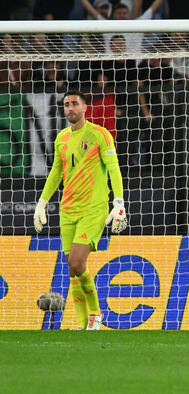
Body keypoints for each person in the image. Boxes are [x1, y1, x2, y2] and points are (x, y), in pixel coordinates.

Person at [32, 90, 127, 330]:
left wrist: (119, 202)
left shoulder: (99, 135)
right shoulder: (62, 138)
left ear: (85, 108)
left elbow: (113, 168)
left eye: (75, 104)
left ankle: (95, 313)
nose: (70, 108)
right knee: (74, 268)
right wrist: (42, 202)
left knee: (76, 263)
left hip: (93, 209)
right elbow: (56, 172)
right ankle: (85, 326)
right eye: (66, 105)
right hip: (68, 210)